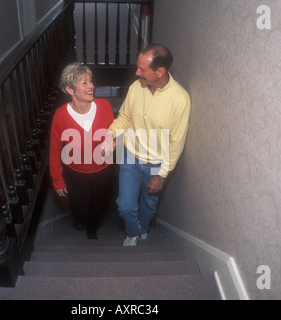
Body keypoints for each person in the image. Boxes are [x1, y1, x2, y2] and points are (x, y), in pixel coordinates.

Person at [105, 44, 191, 246]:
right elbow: (124, 117)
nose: (137, 73)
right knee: (125, 206)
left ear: (160, 71)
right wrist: (110, 134)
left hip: (156, 164)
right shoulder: (136, 87)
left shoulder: (180, 100)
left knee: (149, 204)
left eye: (142, 69)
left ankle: (142, 228)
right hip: (130, 157)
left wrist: (162, 175)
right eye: (137, 67)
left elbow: (176, 142)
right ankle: (133, 232)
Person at [49, 62, 114, 239]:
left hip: (103, 170)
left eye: (91, 81)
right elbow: (55, 151)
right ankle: (80, 218)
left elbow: (113, 131)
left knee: (98, 202)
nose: (91, 86)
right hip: (76, 172)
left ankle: (91, 227)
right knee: (80, 204)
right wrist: (57, 180)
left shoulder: (105, 106)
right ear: (70, 89)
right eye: (84, 83)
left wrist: (112, 141)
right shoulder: (60, 116)